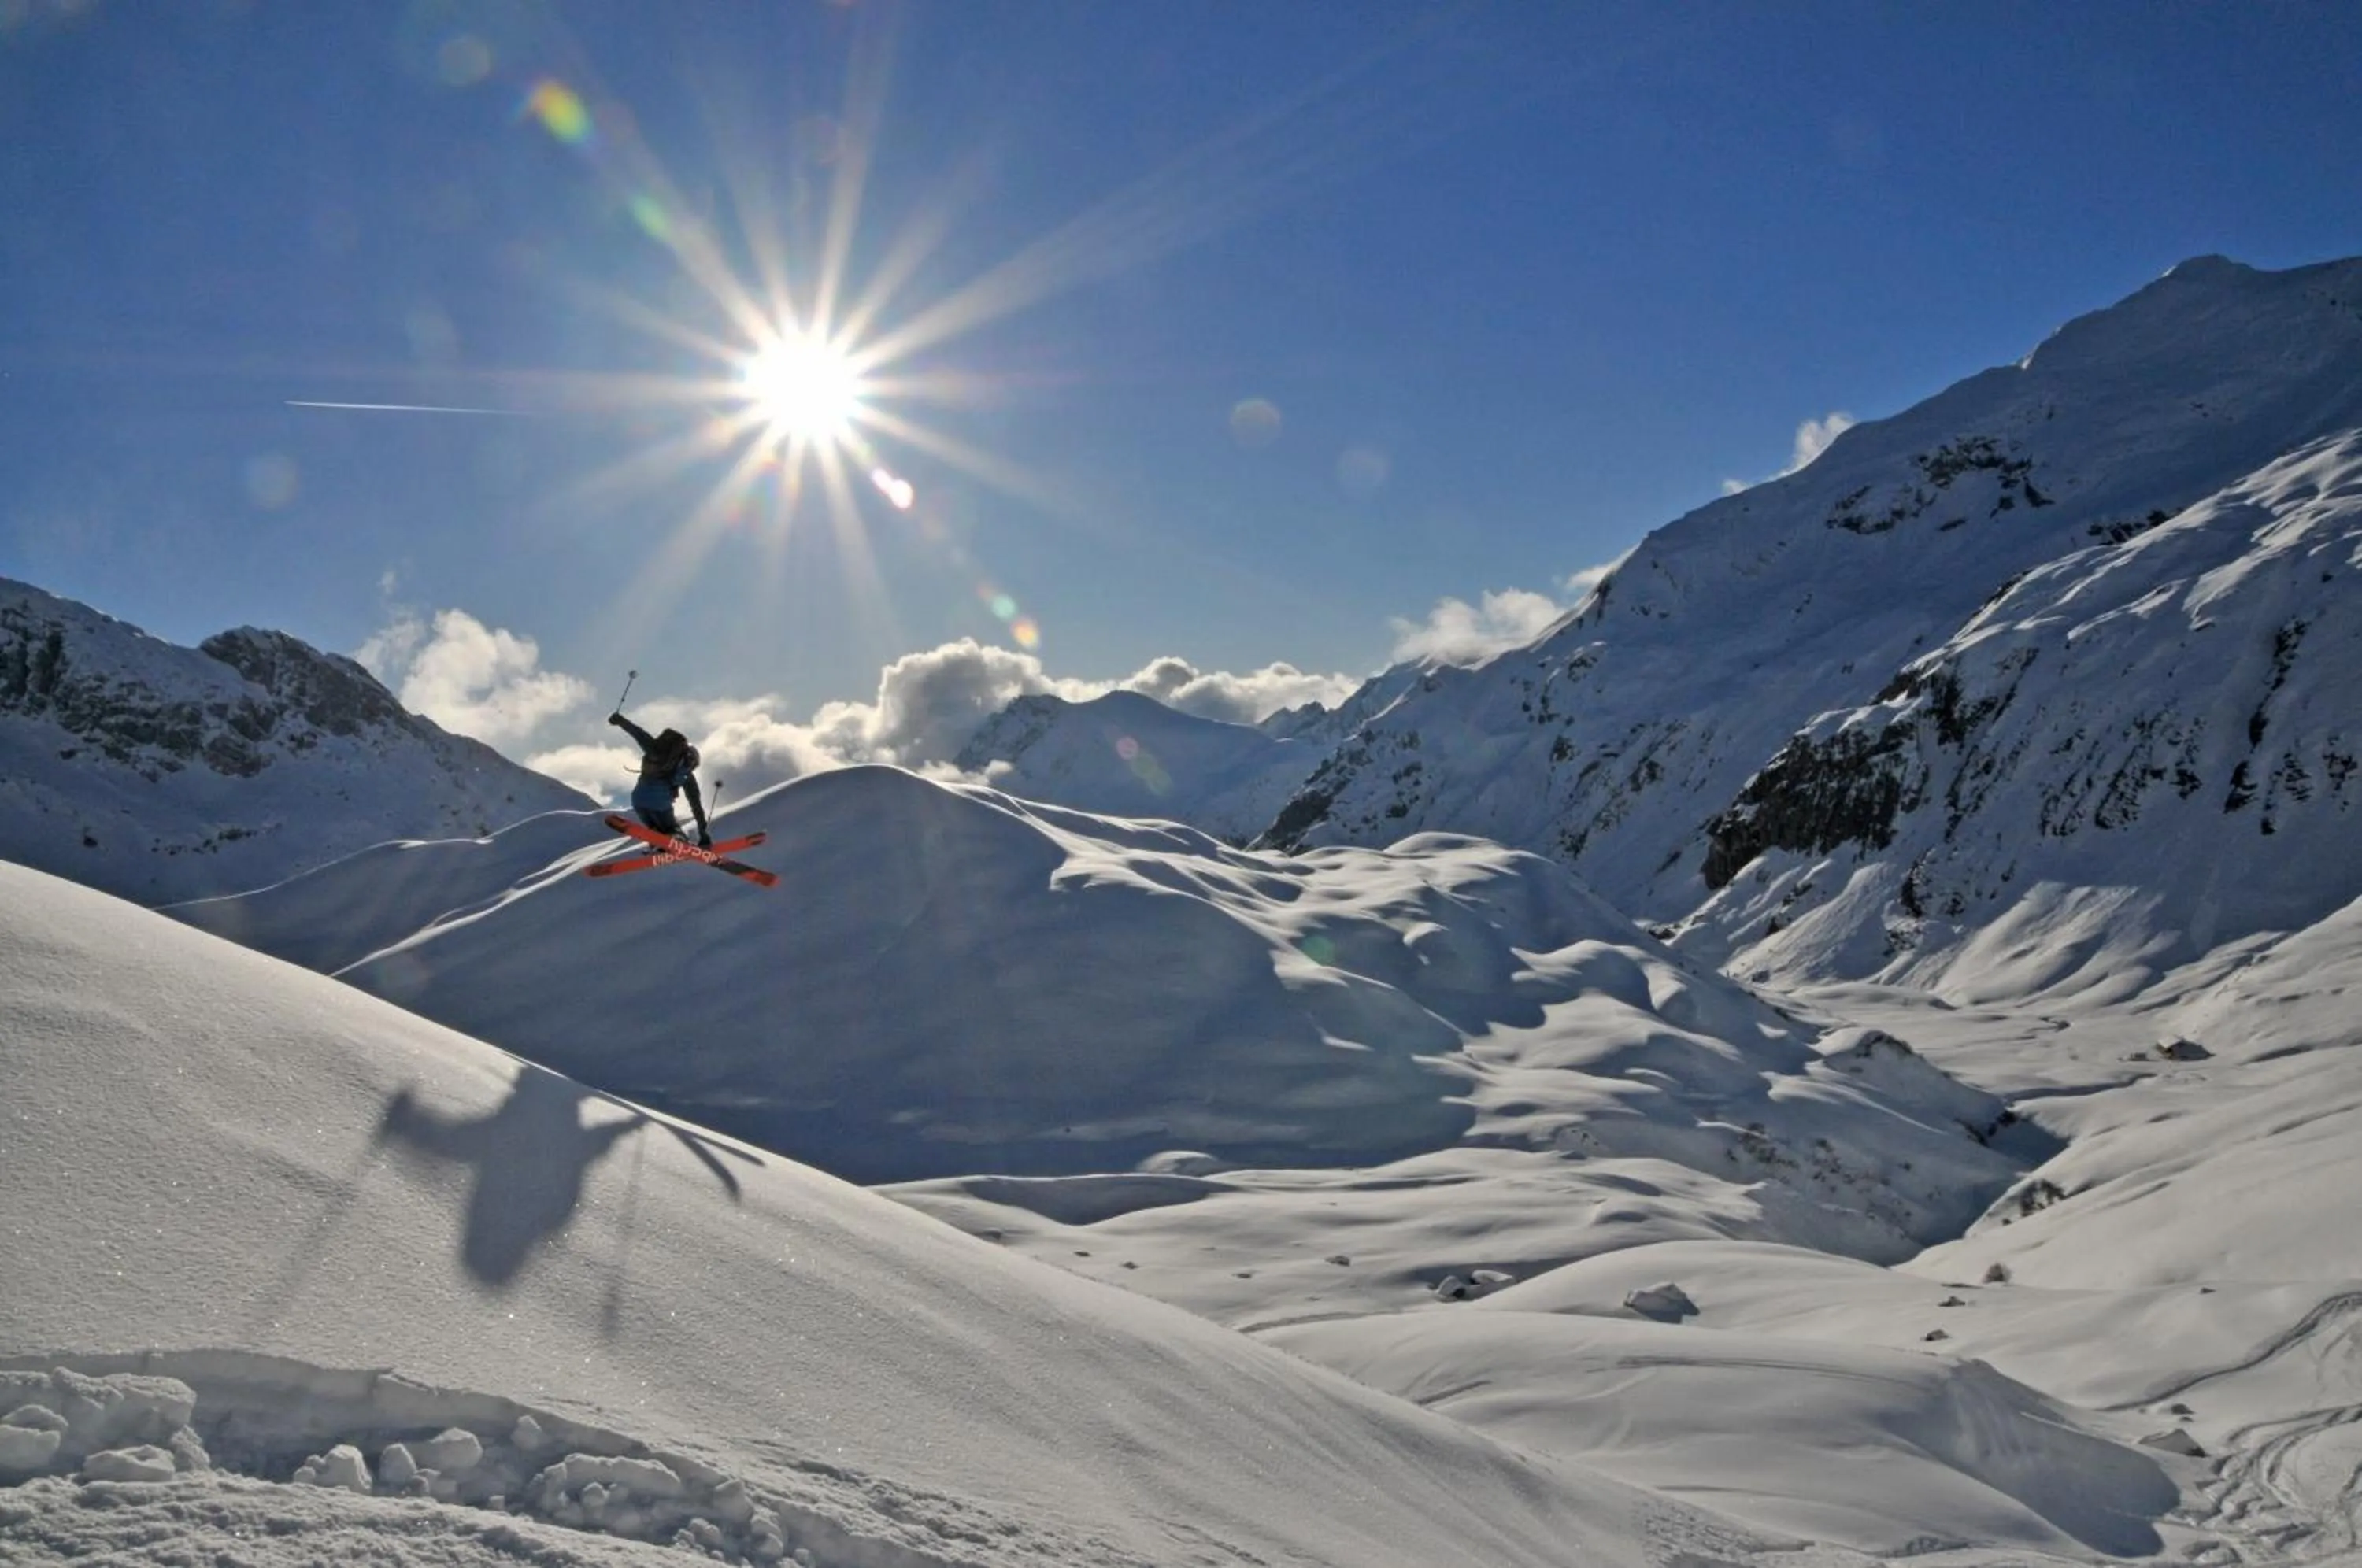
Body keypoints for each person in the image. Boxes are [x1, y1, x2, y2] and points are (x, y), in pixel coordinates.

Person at [609, 710, 712, 847]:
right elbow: (696, 805)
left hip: (638, 801)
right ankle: (676, 839)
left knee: (657, 832)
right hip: (660, 806)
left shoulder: (656, 751)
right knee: (673, 830)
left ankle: (658, 844)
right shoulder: (686, 774)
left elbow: (639, 734)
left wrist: (620, 720)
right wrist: (704, 834)